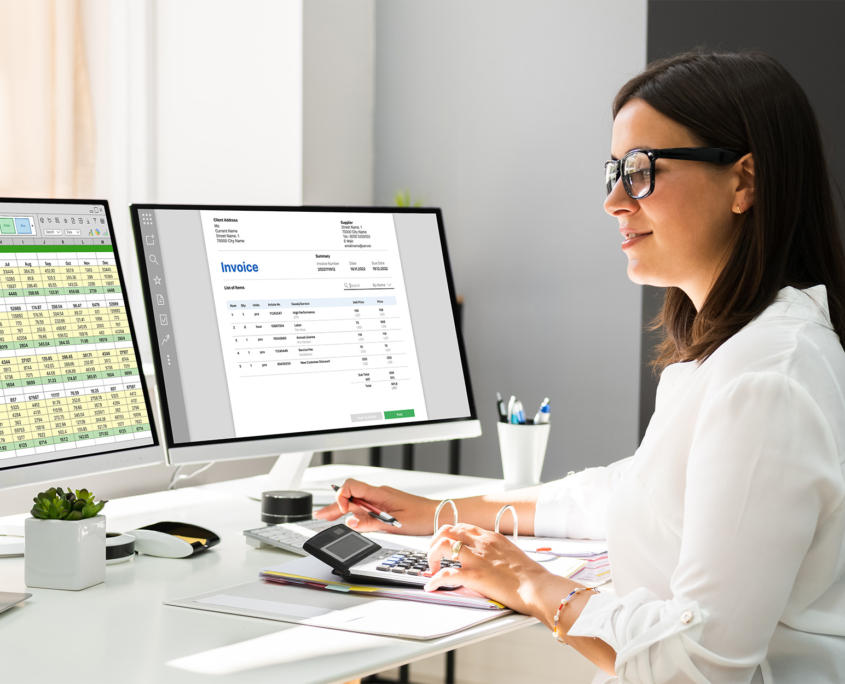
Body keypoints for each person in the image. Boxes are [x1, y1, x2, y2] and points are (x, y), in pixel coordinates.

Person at [316, 50, 845, 683]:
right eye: (614, 171)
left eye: (644, 170)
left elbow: (697, 668)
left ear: (743, 182)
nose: (615, 201)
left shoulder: (767, 379)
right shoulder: (736, 354)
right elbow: (632, 495)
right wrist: (444, 512)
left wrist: (534, 587)